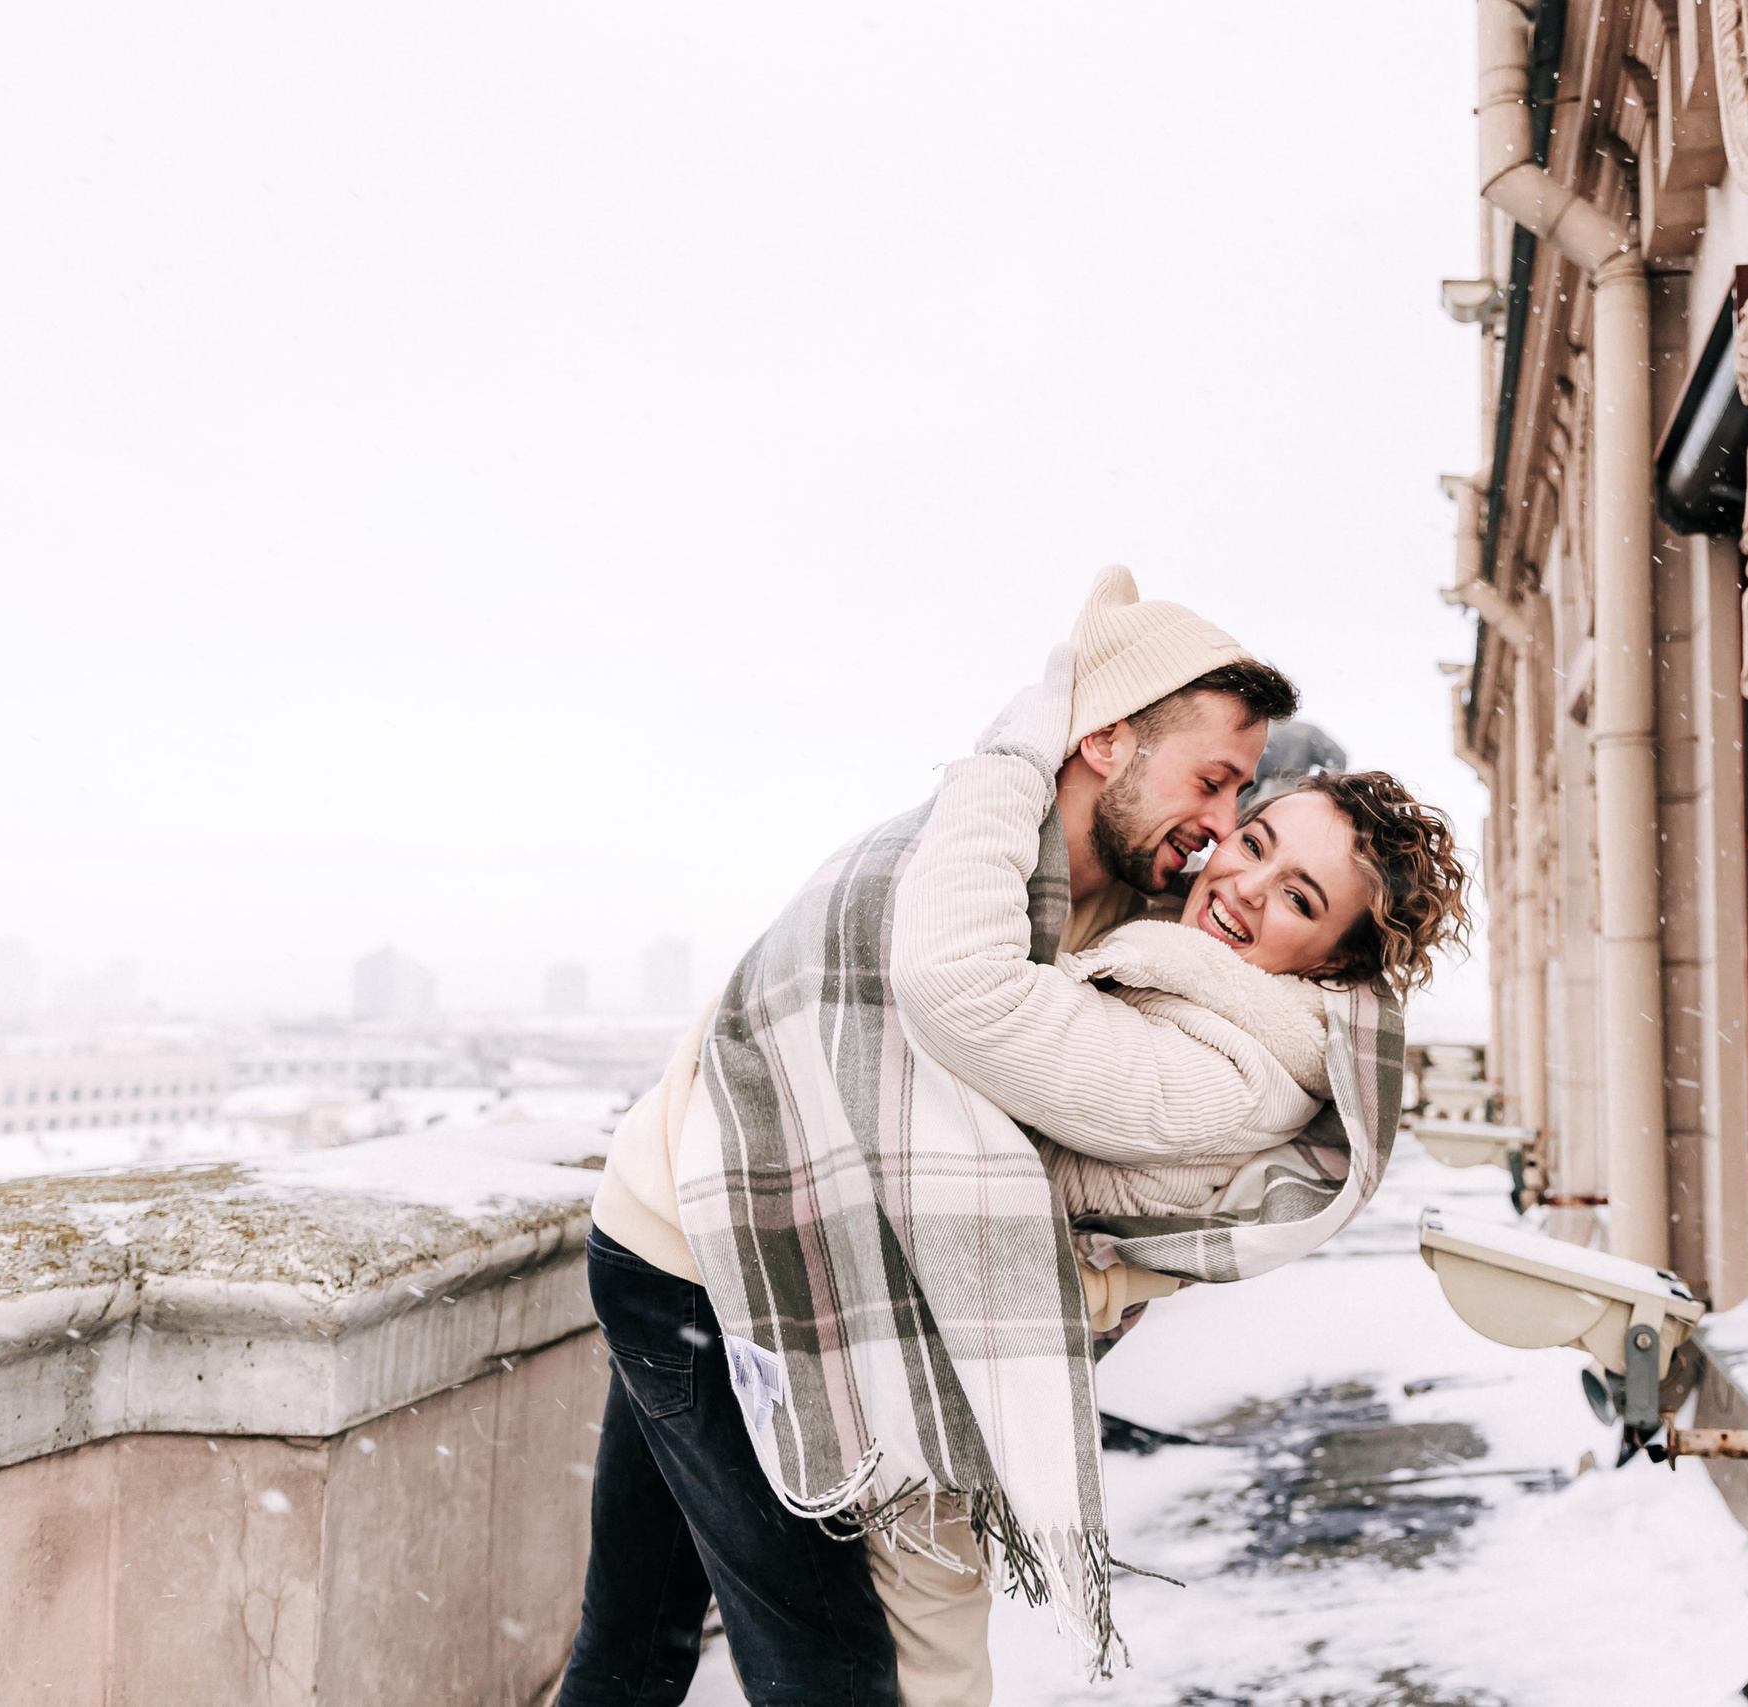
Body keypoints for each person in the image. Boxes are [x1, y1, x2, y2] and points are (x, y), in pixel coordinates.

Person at [554, 569, 1297, 1707]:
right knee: (833, 1669)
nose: (1221, 823)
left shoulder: (1120, 913)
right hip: (705, 1272)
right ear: (1104, 741)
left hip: (709, 1247)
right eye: (1211, 779)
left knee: (637, 1642)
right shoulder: (941, 877)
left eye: (1241, 790)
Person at [865, 760, 1469, 1706]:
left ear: (1332, 962)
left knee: (896, 1675)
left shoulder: (1226, 1070)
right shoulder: (1194, 994)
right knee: (645, 1636)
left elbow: (965, 994)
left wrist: (1006, 763)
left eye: (1298, 898)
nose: (1242, 886)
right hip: (914, 1360)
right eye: (1256, 844)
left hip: (918, 1392)